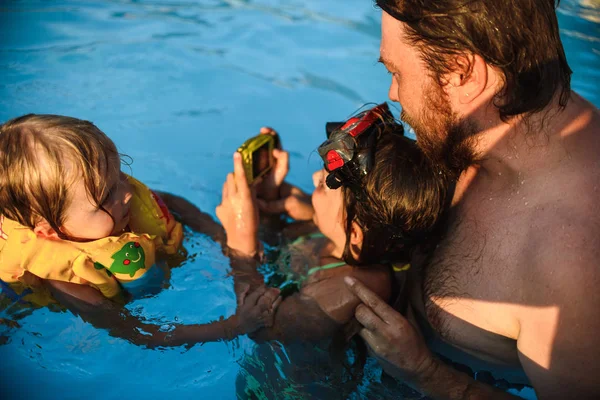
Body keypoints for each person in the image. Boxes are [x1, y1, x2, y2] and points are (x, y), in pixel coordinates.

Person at [342, 1, 600, 399]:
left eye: (396, 72)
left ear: (463, 74)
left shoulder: (573, 263)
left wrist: (425, 373)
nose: (393, 94)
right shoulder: (467, 138)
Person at [203, 104, 450, 396]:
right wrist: (271, 204)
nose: (312, 181)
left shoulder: (352, 289)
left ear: (355, 235)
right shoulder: (347, 239)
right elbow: (286, 245)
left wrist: (241, 245)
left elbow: (263, 330)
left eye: (322, 186)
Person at [0, 114, 281, 347]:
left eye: (121, 175)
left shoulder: (116, 200)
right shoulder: (69, 284)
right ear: (52, 231)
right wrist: (233, 326)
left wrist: (223, 239)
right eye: (105, 196)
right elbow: (139, 333)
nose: (126, 193)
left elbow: (171, 203)